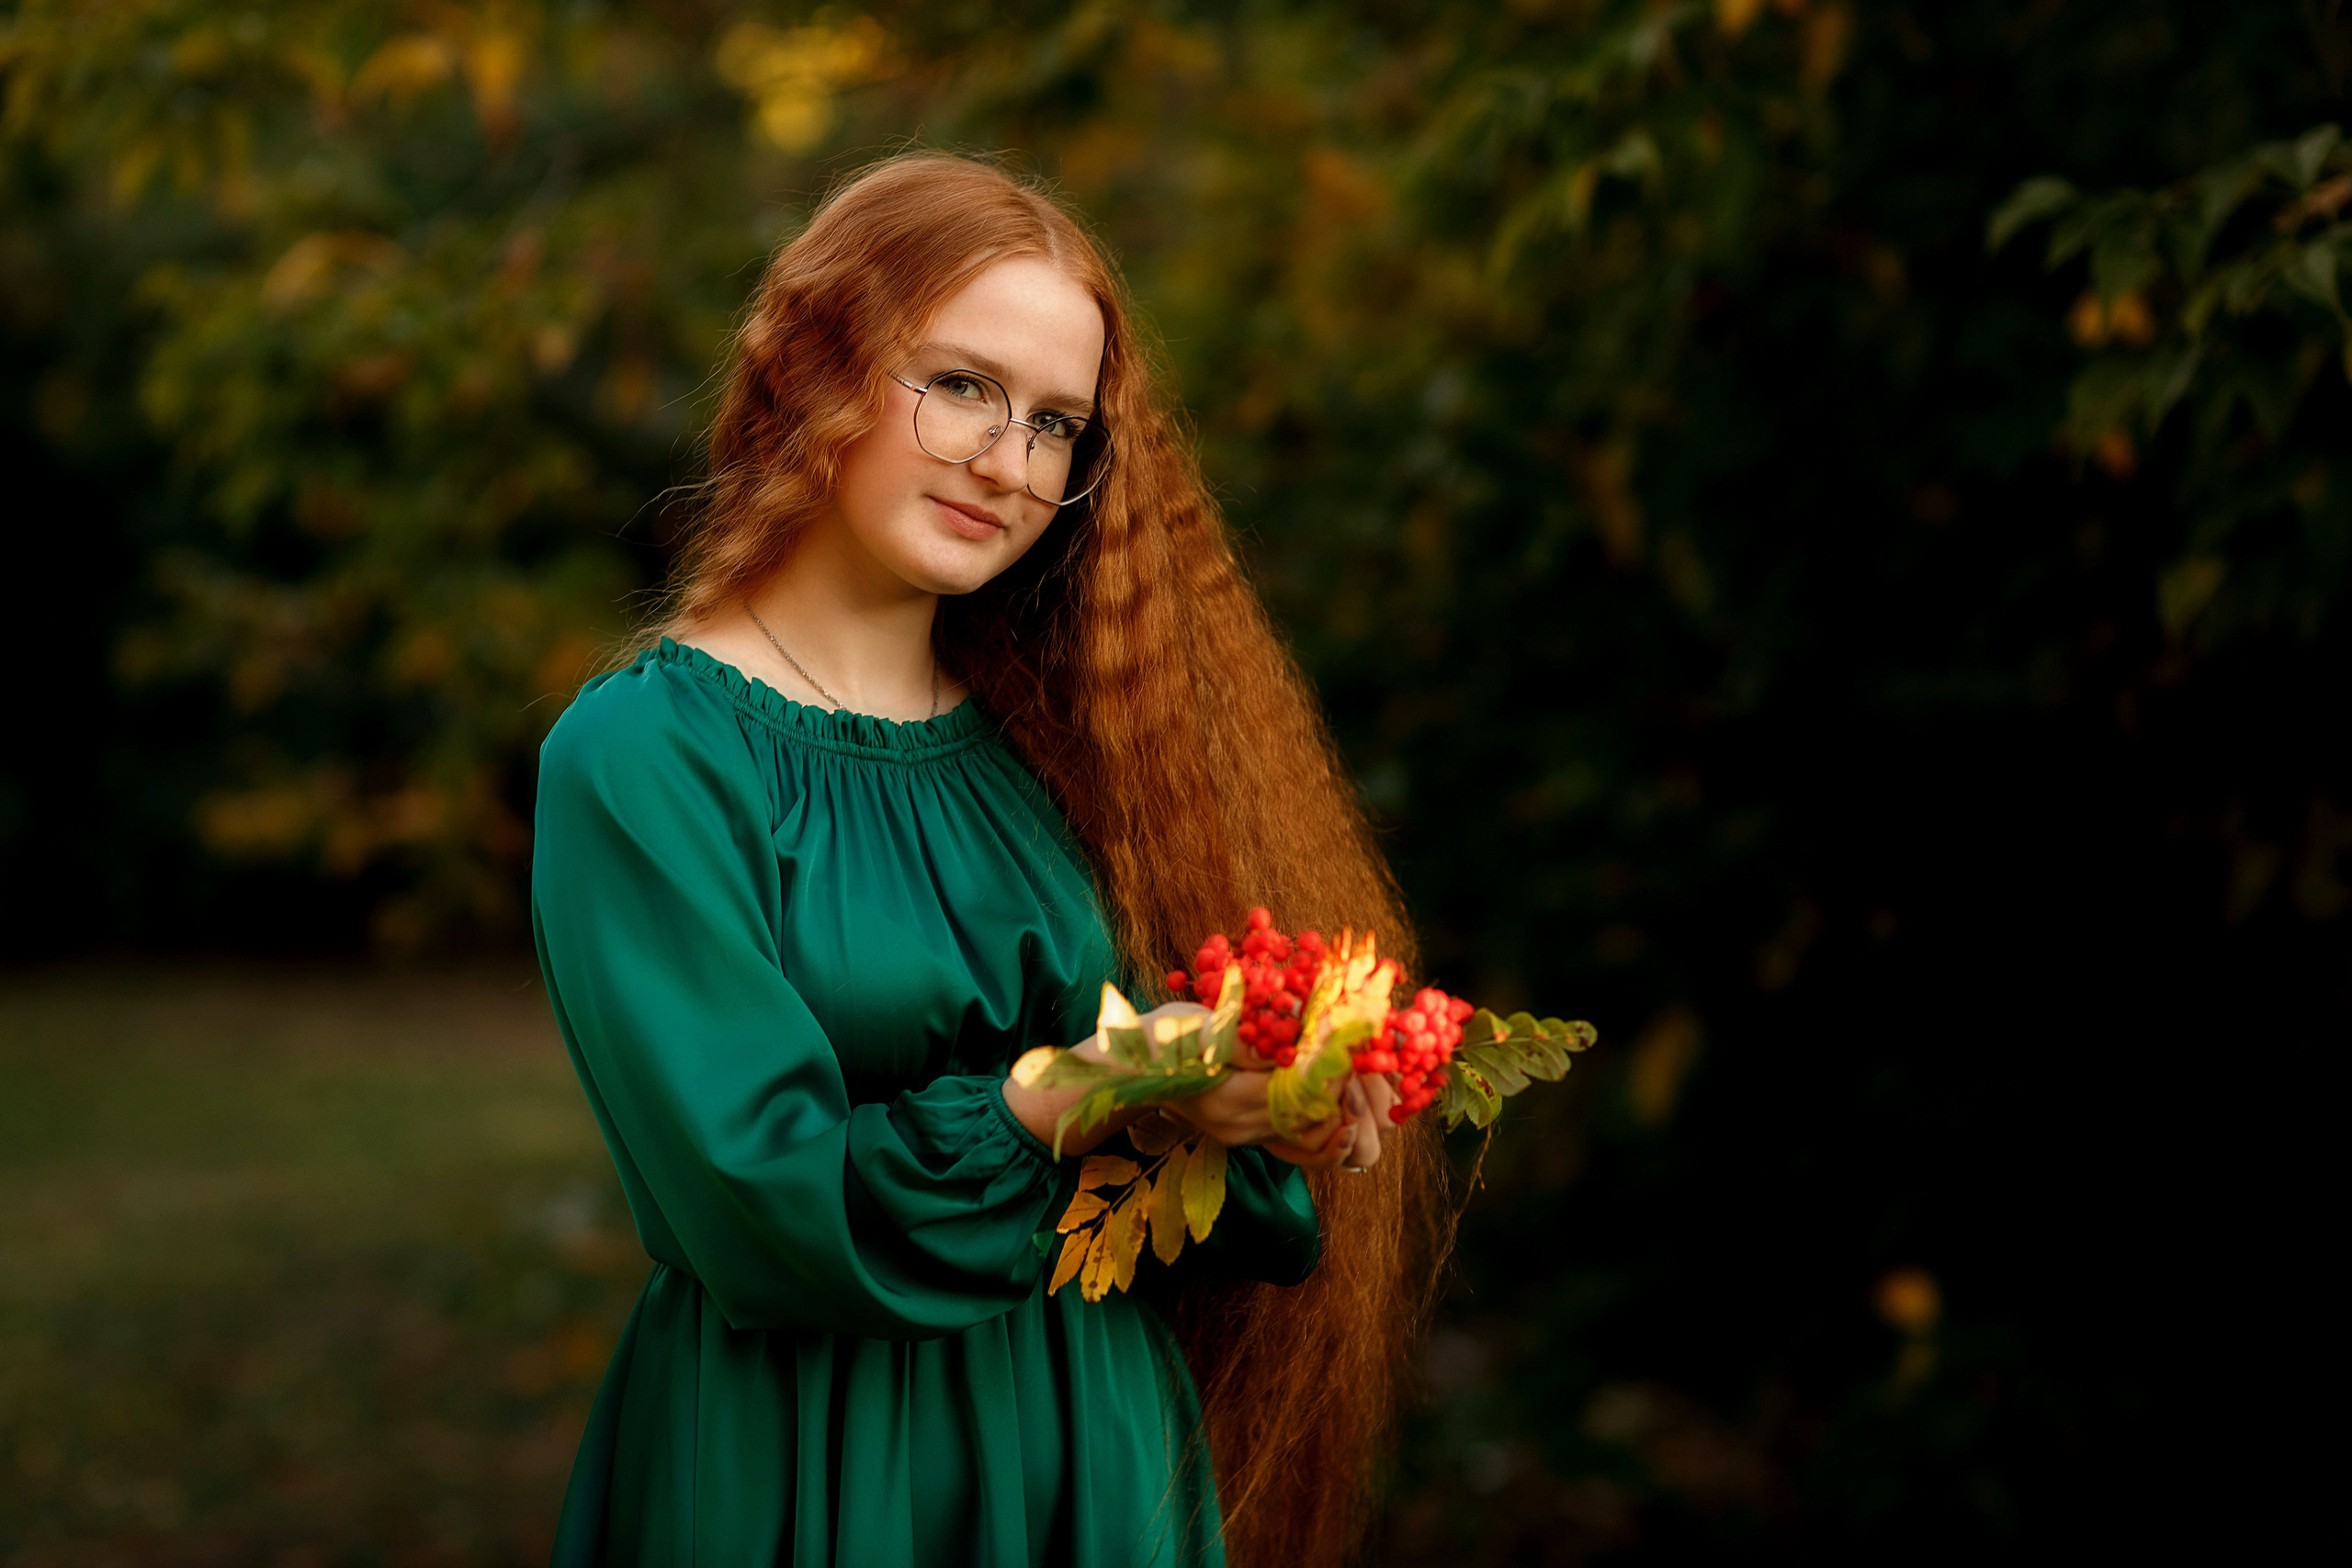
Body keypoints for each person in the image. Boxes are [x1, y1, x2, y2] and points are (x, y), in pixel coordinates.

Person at [531, 152, 1443, 1568]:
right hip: (813, 1454)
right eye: (958, 385)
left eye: (1056, 424)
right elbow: (758, 1208)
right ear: (818, 362)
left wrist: (1255, 1098)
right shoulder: (646, 757)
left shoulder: (1069, 742)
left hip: (1089, 1436)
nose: (1006, 461)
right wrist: (1100, 1082)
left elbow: (1159, 1131)